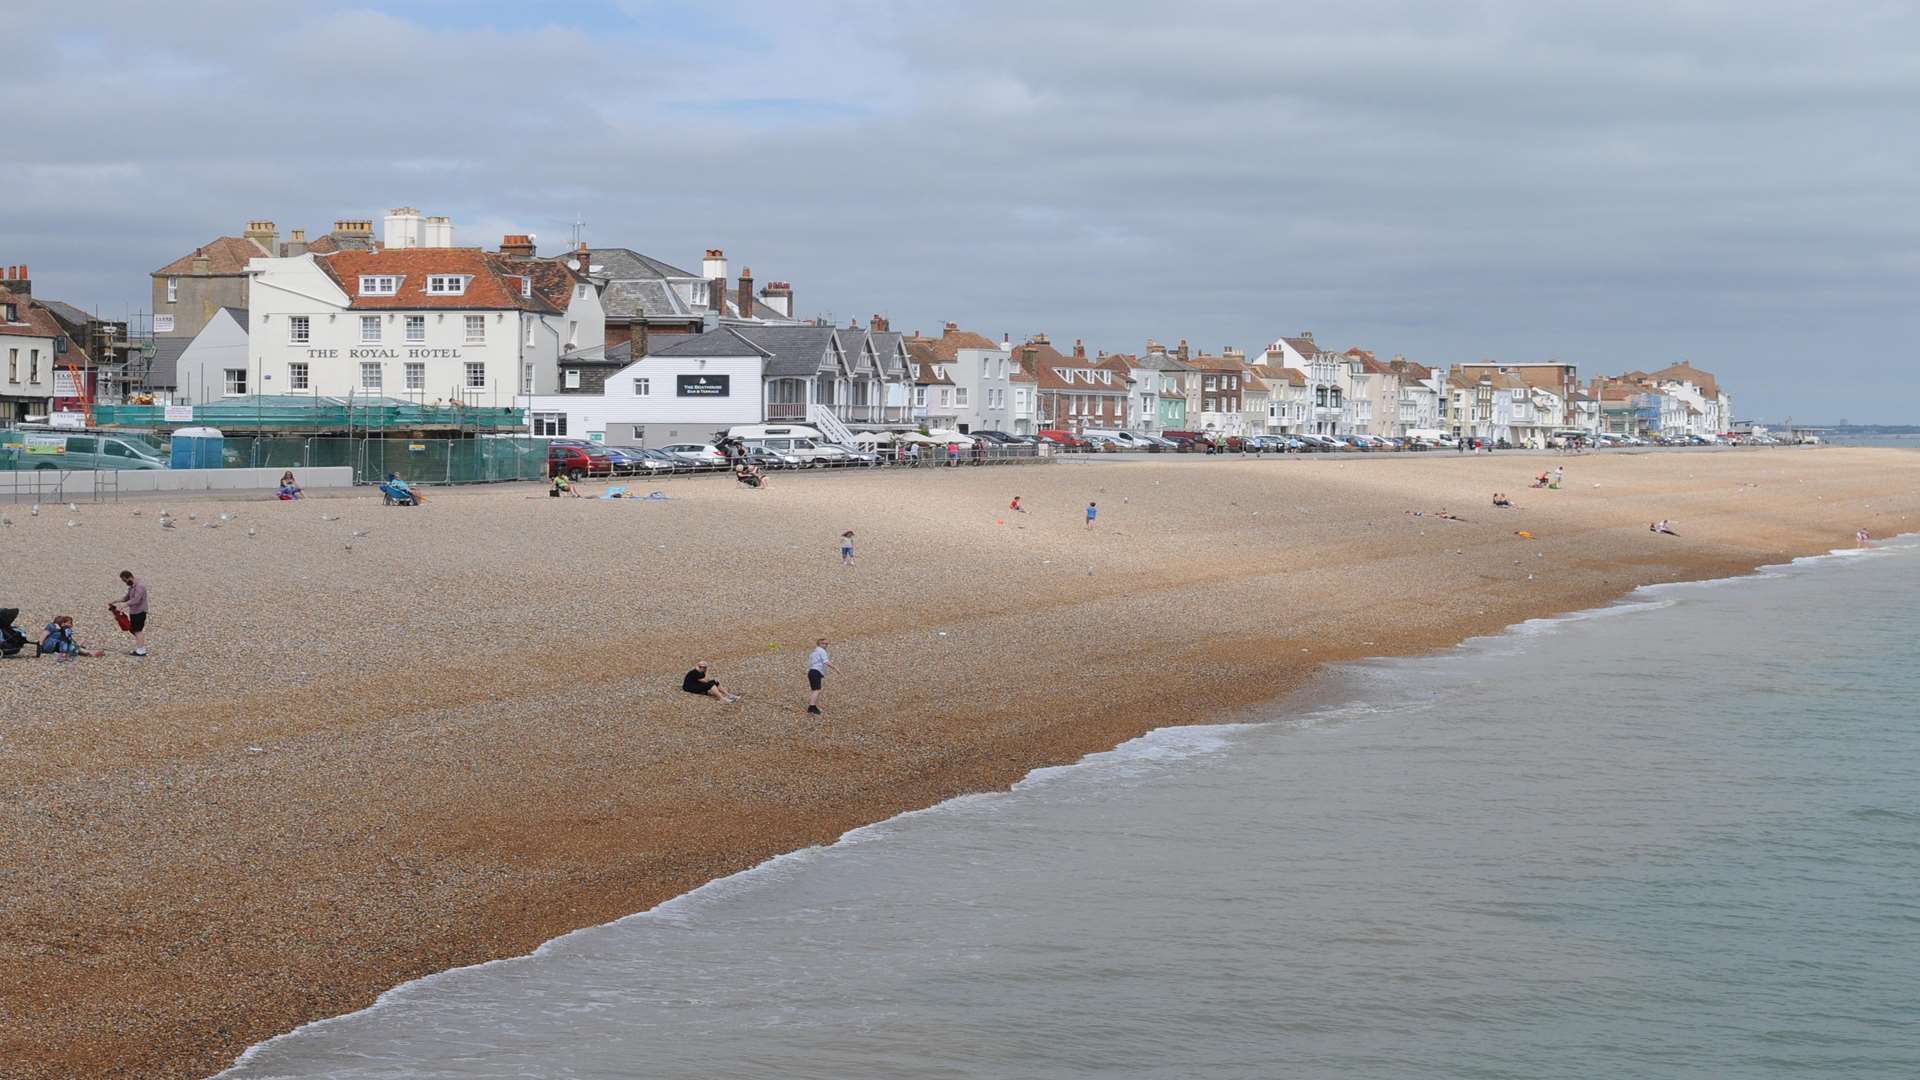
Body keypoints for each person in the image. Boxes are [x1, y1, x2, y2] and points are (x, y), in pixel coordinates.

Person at [110, 570, 149, 656]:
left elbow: (136, 599)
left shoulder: (140, 586)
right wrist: (116, 601)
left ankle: (141, 650)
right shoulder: (132, 586)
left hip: (140, 611)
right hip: (134, 612)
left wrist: (124, 605)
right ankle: (141, 647)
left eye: (125, 580)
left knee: (138, 630)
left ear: (130, 577)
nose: (125, 583)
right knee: (133, 629)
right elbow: (127, 597)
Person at [807, 638, 838, 715]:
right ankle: (812, 707)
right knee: (817, 690)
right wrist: (835, 668)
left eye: (827, 644)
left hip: (812, 671)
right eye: (823, 643)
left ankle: (812, 706)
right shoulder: (821, 651)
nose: (825, 645)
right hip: (815, 671)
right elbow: (826, 661)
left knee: (816, 690)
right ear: (819, 644)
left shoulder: (814, 652)